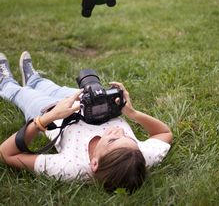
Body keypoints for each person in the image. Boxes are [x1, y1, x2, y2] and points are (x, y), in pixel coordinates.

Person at [0, 52, 173, 193]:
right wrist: (132, 113)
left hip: (51, 112)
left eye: (112, 140)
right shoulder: (139, 157)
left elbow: (6, 154)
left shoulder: (71, 168)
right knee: (51, 88)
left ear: (94, 163)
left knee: (22, 95)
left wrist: (46, 119)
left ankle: (6, 81)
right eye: (130, 138)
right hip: (87, 101)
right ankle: (33, 79)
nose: (119, 132)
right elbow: (164, 133)